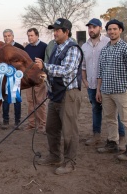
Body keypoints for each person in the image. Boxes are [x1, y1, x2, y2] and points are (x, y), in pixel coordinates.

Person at [35, 18, 83, 175]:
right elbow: (54, 71)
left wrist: (45, 66)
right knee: (51, 128)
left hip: (69, 94)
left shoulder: (73, 49)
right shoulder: (55, 47)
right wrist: (46, 78)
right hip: (55, 93)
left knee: (69, 131)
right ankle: (55, 156)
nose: (54, 33)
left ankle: (70, 162)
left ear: (66, 32)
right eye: (53, 30)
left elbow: (66, 70)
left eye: (57, 30)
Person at [81, 18, 126, 149]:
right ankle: (96, 135)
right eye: (89, 27)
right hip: (91, 84)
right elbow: (83, 66)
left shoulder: (108, 42)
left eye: (94, 27)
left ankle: (121, 136)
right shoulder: (84, 46)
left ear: (100, 28)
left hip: (108, 84)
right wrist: (84, 80)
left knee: (114, 111)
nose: (91, 30)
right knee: (95, 109)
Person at [95, 19, 127, 161]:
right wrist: (98, 90)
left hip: (121, 90)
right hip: (106, 90)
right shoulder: (104, 49)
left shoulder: (126, 48)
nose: (112, 31)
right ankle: (112, 142)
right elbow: (100, 72)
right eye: (109, 29)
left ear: (120, 30)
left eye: (114, 29)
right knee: (110, 119)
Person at [0, 29, 25, 130]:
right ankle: (5, 121)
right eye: (5, 36)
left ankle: (17, 122)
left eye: (9, 36)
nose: (7, 38)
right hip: (5, 78)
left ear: (13, 36)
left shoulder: (20, 47)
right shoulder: (1, 48)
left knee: (17, 100)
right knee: (5, 100)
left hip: (17, 77)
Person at [24, 28, 47, 133]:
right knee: (30, 101)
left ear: (37, 35)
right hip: (29, 79)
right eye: (28, 36)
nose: (30, 37)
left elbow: (47, 63)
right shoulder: (27, 48)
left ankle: (42, 124)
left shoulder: (44, 47)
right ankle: (32, 124)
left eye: (32, 35)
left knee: (40, 101)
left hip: (39, 79)